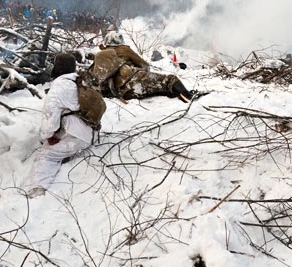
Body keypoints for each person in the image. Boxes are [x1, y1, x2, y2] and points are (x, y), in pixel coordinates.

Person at [27, 54, 94, 197]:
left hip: (75, 137)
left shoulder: (59, 87)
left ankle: (37, 189)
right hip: (89, 133)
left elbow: (50, 117)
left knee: (46, 156)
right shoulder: (79, 82)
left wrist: (47, 136)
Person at [89, 31, 194, 102]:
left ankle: (176, 94)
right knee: (170, 79)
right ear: (119, 40)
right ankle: (189, 96)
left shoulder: (101, 55)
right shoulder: (123, 49)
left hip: (121, 93)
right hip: (133, 83)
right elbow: (145, 66)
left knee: (161, 89)